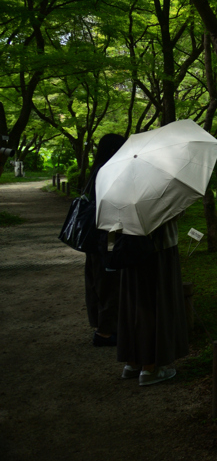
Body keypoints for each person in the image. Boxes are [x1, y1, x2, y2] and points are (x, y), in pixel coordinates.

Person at [115, 217, 190, 385]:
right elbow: (174, 210)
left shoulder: (119, 190)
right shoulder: (159, 189)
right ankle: (149, 368)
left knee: (133, 302)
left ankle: (132, 363)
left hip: (128, 243)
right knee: (155, 303)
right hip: (158, 248)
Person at [84, 134, 126, 347]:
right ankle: (105, 332)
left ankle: (100, 325)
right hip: (107, 235)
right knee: (109, 278)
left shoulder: (96, 170)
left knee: (96, 279)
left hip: (93, 235)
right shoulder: (109, 172)